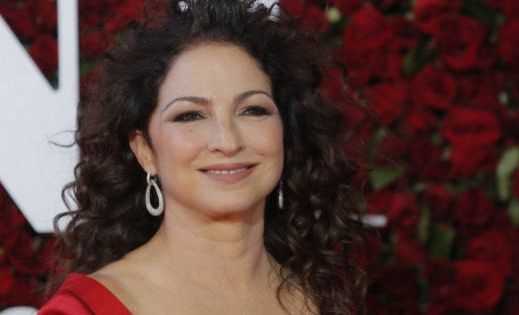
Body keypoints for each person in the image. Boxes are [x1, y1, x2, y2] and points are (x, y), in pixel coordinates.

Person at [40, 0, 368, 314]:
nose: (227, 141)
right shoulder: (85, 309)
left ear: (285, 131)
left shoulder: (323, 300)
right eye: (190, 116)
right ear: (144, 151)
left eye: (253, 110)